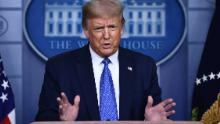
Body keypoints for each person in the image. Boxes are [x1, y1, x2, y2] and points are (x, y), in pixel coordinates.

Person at [36, 0, 176, 121]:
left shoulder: (144, 66)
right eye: (99, 28)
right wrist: (62, 122)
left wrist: (149, 121)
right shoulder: (59, 67)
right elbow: (43, 118)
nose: (106, 36)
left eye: (112, 27)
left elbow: (157, 114)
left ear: (122, 28)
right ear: (86, 30)